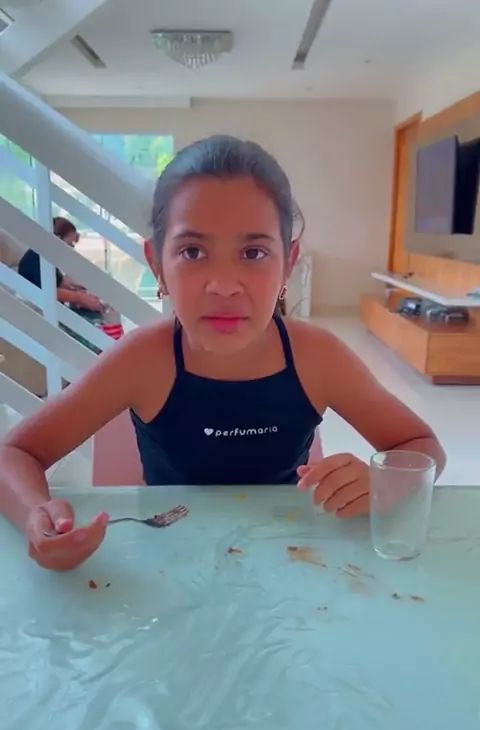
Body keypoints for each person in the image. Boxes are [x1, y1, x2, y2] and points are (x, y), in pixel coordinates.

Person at [0, 135, 446, 572]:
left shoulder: (318, 357)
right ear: (157, 264)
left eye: (253, 252)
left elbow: (421, 446)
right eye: (193, 252)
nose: (225, 286)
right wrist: (35, 516)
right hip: (170, 566)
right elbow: (15, 453)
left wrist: (383, 485)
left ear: (288, 263)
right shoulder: (142, 360)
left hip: (286, 560)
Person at [18, 217, 106, 353]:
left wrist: (79, 291)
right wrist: (80, 298)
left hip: (54, 310)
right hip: (45, 314)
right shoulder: (36, 258)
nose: (71, 248)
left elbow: (60, 283)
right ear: (57, 239)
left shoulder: (46, 257)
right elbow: (51, 291)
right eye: (69, 244)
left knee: (96, 316)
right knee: (94, 327)